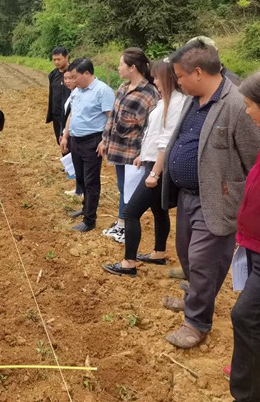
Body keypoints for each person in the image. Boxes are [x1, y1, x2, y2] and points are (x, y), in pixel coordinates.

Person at [161, 40, 260, 348]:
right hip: (188, 196)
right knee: (188, 254)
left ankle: (196, 323)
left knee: (205, 262)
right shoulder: (194, 100)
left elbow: (253, 157)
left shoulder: (236, 105)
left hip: (216, 200)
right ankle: (194, 299)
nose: (178, 82)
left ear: (199, 72)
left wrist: (234, 192)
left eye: (180, 76)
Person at [102, 59, 186, 277]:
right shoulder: (164, 101)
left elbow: (166, 142)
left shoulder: (176, 103)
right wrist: (143, 155)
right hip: (151, 161)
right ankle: (159, 253)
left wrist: (154, 173)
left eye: (157, 77)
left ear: (168, 78)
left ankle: (128, 263)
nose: (155, 81)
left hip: (159, 167)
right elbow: (153, 133)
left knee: (131, 212)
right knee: (159, 210)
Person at [98, 48, 158, 244]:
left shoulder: (149, 94)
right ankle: (121, 223)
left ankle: (127, 228)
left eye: (121, 64)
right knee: (122, 188)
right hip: (118, 149)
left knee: (130, 191)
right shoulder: (123, 88)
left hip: (134, 153)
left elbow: (151, 128)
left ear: (132, 67)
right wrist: (105, 140)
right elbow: (112, 119)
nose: (118, 67)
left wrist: (145, 154)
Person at [229, 72, 260, 401]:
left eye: (250, 106)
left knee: (245, 316)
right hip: (252, 245)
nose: (247, 112)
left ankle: (246, 392)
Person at [59, 58, 115, 232]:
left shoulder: (102, 91)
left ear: (87, 73)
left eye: (75, 77)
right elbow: (72, 115)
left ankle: (89, 220)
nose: (73, 80)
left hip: (92, 141)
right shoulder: (78, 91)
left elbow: (111, 118)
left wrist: (105, 140)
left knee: (91, 182)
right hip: (76, 140)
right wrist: (65, 136)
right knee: (81, 178)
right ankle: (85, 207)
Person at [61, 67, 84, 197]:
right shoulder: (71, 94)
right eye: (65, 78)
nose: (68, 81)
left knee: (80, 165)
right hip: (68, 132)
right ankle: (78, 189)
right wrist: (62, 133)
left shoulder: (79, 95)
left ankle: (80, 190)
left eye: (71, 78)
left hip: (75, 134)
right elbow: (66, 116)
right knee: (74, 162)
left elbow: (73, 115)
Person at [46, 46, 71, 145]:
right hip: (57, 115)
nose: (56, 62)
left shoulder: (73, 73)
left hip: (69, 115)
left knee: (70, 143)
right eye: (54, 60)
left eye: (59, 59)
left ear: (66, 58)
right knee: (60, 142)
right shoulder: (53, 75)